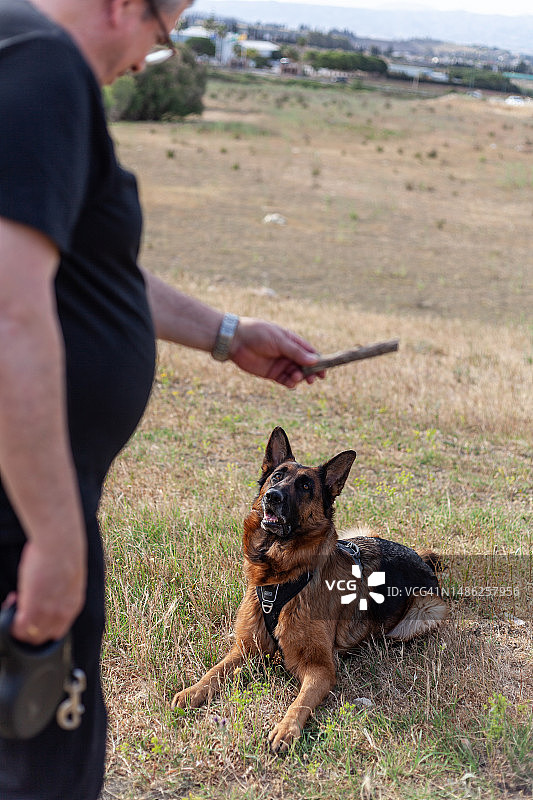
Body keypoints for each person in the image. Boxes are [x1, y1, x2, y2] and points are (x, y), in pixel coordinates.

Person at [0, 0, 323, 797]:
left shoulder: (18, 55)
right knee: (39, 765)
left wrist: (224, 333)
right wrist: (53, 533)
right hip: (17, 517)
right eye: (163, 30)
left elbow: (90, 268)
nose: (148, 61)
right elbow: (10, 309)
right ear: (121, 4)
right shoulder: (43, 67)